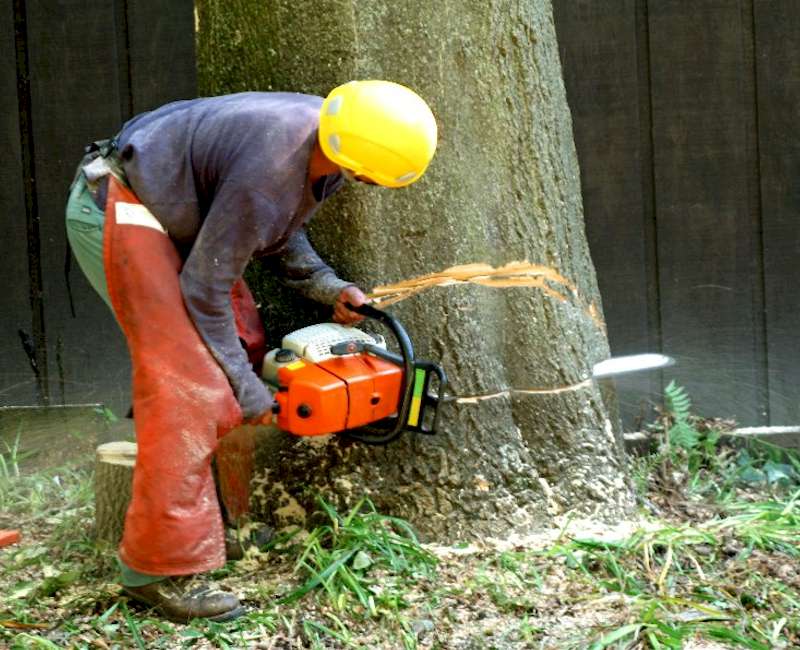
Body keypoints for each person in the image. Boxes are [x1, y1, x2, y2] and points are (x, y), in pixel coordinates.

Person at [64, 80, 438, 622]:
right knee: (191, 383)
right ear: (361, 161)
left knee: (236, 346)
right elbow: (205, 289)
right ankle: (157, 571)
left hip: (171, 209)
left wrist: (329, 288)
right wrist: (245, 389)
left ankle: (219, 524)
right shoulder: (275, 163)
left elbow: (278, 230)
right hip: (121, 204)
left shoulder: (332, 135)